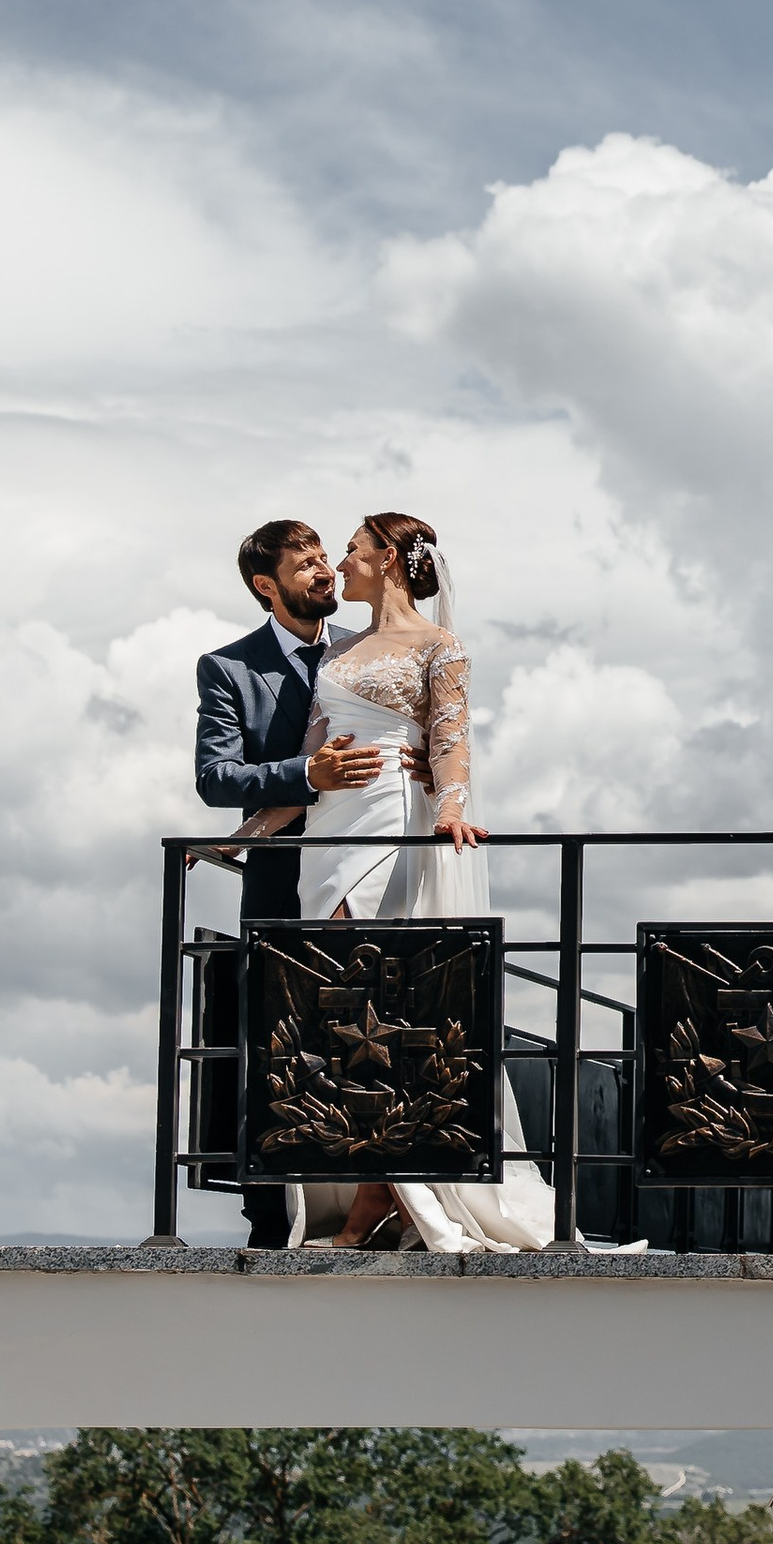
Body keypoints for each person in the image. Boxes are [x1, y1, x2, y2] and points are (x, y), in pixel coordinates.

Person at [235, 512, 553, 1254]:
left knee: (383, 1001)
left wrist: (448, 810)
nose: (337, 562)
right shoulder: (340, 651)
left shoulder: (439, 644)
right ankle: (377, 1187)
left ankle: (380, 1194)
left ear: (387, 558)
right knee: (339, 1010)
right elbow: (314, 755)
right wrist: (240, 836)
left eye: (349, 549)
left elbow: (450, 735)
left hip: (391, 823)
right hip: (329, 835)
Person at [194, 519, 390, 1248]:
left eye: (324, 559)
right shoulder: (228, 668)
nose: (324, 572)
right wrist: (307, 775)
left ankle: (387, 1196)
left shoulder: (368, 652)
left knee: (379, 1029)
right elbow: (216, 778)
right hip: (282, 883)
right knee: (279, 1044)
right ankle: (271, 1216)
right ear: (265, 586)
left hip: (371, 867)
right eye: (304, 565)